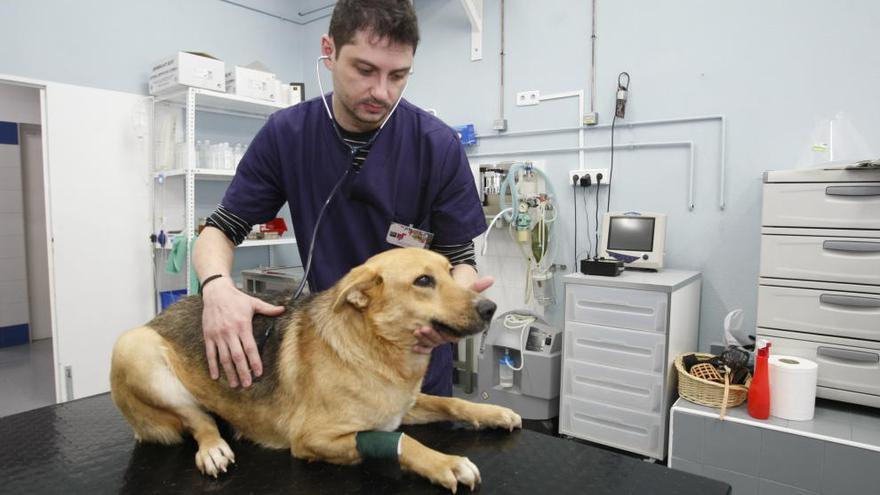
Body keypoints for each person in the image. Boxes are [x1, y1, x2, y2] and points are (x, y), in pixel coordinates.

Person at [193, 0, 491, 397]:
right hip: (331, 358)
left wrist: (454, 308)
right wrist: (216, 288)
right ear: (329, 52)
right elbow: (220, 230)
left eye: (398, 75)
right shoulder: (287, 135)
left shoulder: (436, 146)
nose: (381, 91)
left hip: (415, 361)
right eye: (364, 70)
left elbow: (461, 259)